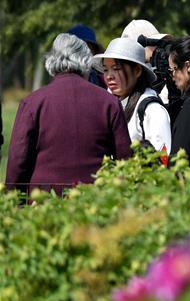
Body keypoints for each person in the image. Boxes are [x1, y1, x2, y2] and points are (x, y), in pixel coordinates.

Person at [5, 34, 132, 192]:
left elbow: (18, 160)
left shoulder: (32, 102)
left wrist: (14, 199)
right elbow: (124, 157)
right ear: (86, 61)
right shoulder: (109, 102)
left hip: (44, 202)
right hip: (95, 199)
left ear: (51, 60)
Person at [93, 37, 171, 152]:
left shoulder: (152, 111)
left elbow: (163, 161)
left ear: (137, 71)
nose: (109, 76)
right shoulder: (110, 105)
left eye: (116, 68)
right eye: (105, 70)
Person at [67, 24, 106, 88]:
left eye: (88, 49)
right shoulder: (60, 83)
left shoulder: (103, 81)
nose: (85, 54)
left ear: (94, 52)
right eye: (78, 49)